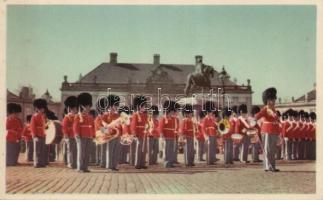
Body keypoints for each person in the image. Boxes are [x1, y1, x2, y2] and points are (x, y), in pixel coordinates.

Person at [255, 87, 280, 172]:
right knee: (268, 149)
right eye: (272, 100)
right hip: (267, 131)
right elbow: (257, 116)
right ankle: (268, 166)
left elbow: (277, 120)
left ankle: (272, 166)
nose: (274, 102)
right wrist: (253, 122)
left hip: (274, 131)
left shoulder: (273, 109)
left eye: (274, 100)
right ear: (268, 101)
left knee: (272, 150)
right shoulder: (265, 109)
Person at [73, 93, 95, 172]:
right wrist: (77, 134)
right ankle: (80, 167)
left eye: (89, 106)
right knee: (81, 152)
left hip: (89, 136)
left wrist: (94, 135)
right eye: (87, 106)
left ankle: (85, 167)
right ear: (83, 106)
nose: (88, 108)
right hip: (81, 136)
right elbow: (75, 126)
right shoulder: (78, 116)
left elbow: (92, 126)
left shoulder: (90, 116)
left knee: (87, 152)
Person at [131, 95, 148, 169]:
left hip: (144, 134)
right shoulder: (135, 115)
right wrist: (134, 133)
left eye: (144, 106)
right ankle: (137, 163)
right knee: (139, 148)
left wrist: (147, 127)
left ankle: (142, 163)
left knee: (144, 149)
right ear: (138, 106)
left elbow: (147, 123)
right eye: (143, 106)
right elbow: (133, 125)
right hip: (138, 134)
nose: (144, 108)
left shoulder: (145, 115)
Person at [159, 100, 177, 168]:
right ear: (169, 111)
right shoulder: (164, 118)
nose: (173, 112)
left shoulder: (173, 119)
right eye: (172, 111)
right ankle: (166, 163)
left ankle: (171, 162)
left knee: (171, 150)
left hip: (172, 136)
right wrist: (162, 135)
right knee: (166, 150)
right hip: (166, 136)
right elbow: (161, 127)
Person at [62, 96, 78, 169]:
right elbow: (64, 127)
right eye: (74, 109)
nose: (75, 110)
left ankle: (74, 163)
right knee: (70, 151)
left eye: (76, 108)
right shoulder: (67, 117)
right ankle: (70, 163)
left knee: (75, 151)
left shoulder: (76, 116)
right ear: (71, 109)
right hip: (69, 136)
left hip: (75, 136)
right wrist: (66, 135)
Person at [31, 99, 48, 168]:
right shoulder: (34, 116)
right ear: (37, 109)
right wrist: (34, 135)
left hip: (43, 134)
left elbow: (46, 126)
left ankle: (42, 163)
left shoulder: (43, 116)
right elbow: (32, 127)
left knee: (43, 150)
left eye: (43, 108)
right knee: (37, 150)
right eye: (41, 109)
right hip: (37, 134)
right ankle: (37, 163)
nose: (42, 110)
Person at [202, 101, 218, 165]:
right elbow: (203, 128)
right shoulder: (205, 119)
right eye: (211, 112)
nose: (212, 113)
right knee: (208, 149)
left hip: (213, 134)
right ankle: (209, 161)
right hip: (208, 135)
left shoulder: (211, 119)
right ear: (208, 112)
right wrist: (206, 136)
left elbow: (214, 126)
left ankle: (212, 160)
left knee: (213, 148)